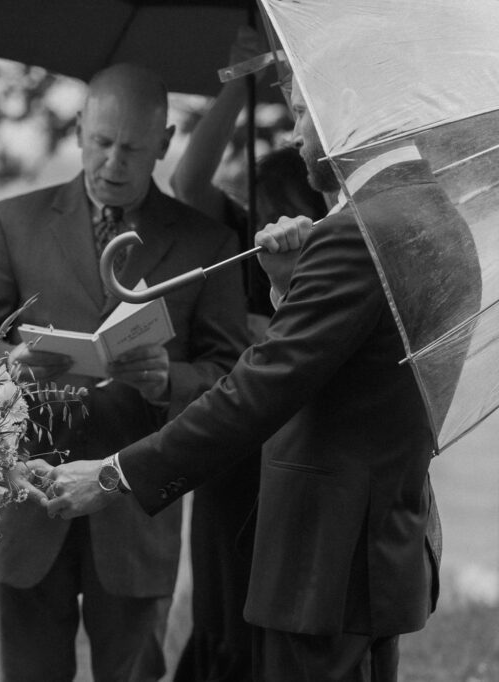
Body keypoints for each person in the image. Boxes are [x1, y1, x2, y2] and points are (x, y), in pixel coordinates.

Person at [36, 77, 482, 681]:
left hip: (324, 569)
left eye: (301, 113)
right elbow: (348, 371)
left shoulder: (357, 234)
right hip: (377, 557)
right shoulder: (435, 215)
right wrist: (285, 285)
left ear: (341, 109)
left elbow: (256, 392)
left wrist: (113, 475)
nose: (295, 134)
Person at [0, 63, 250, 682]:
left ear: (164, 144)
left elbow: (232, 377)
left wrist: (168, 379)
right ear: (79, 129)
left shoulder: (208, 244)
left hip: (136, 511)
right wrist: (13, 363)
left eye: (133, 149)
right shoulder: (13, 222)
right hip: (26, 499)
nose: (113, 162)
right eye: (101, 143)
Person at [169, 43, 327, 679]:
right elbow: (187, 182)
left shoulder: (339, 240)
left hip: (300, 441)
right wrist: (240, 83)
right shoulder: (245, 234)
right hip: (235, 444)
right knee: (223, 603)